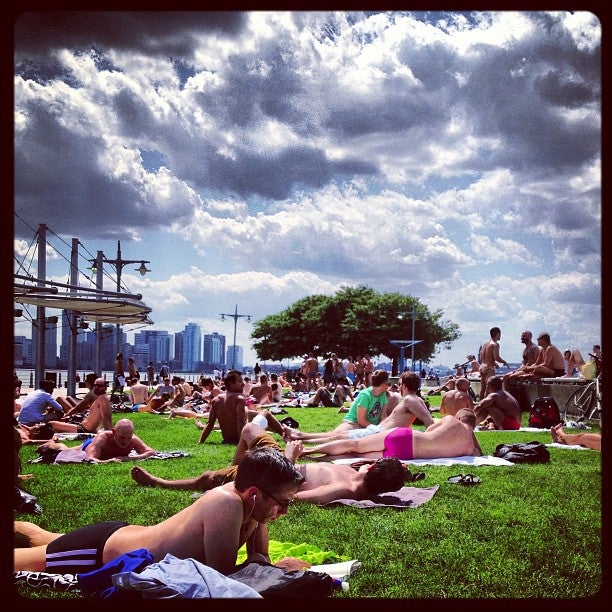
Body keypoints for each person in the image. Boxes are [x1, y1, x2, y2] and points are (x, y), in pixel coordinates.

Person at [14, 447, 308, 577]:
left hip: (123, 536)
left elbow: (261, 559)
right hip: (99, 553)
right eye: (282, 503)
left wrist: (266, 563)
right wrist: (271, 568)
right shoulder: (226, 503)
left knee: (41, 536)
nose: (284, 511)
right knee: (18, 561)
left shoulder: (255, 511)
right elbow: (220, 577)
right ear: (255, 493)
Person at [131, 422, 411, 504]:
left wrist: (291, 458)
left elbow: (290, 495)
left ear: (373, 470)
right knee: (251, 429)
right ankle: (240, 466)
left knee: (207, 477)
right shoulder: (356, 474)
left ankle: (160, 482)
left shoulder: (342, 490)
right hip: (278, 459)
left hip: (275, 471)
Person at [298, 412, 482, 460]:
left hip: (407, 437)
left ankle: (307, 451)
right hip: (407, 454)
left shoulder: (451, 420)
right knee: (355, 455)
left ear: (460, 417)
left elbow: (430, 432)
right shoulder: (469, 448)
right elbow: (478, 452)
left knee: (355, 444)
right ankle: (319, 457)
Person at [285, 369, 390, 442]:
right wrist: (374, 429)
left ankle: (302, 437)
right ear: (384, 383)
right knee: (333, 437)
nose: (388, 386)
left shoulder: (382, 395)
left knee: (336, 439)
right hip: (353, 423)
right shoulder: (365, 395)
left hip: (368, 428)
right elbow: (360, 420)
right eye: (388, 383)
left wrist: (382, 429)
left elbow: (383, 416)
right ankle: (302, 436)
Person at [37, 418, 157, 462]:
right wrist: (110, 461)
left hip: (104, 450)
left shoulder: (132, 439)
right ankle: (52, 443)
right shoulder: (103, 438)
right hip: (89, 445)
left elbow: (151, 452)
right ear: (114, 432)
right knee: (64, 450)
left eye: (128, 438)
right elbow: (91, 459)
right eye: (121, 438)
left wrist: (129, 458)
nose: (125, 442)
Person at [44, 378, 114, 434]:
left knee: (52, 424)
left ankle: (36, 431)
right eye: (95, 385)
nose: (96, 387)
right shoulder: (101, 397)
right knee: (57, 423)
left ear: (105, 387)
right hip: (83, 426)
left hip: (83, 429)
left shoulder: (102, 399)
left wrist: (110, 433)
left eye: (99, 386)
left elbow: (106, 418)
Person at [198, 370, 248, 445]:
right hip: (240, 438)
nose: (243, 384)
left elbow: (210, 424)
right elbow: (240, 422)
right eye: (240, 381)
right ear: (231, 384)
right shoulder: (239, 398)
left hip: (227, 439)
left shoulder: (216, 400)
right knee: (264, 414)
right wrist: (243, 443)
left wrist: (201, 441)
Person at [478, 327, 509, 400]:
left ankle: (480, 404)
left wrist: (494, 363)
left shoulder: (485, 345)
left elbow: (484, 358)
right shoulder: (495, 345)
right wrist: (504, 362)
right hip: (489, 368)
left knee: (483, 388)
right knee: (489, 389)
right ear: (497, 334)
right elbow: (497, 357)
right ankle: (486, 406)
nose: (500, 336)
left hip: (482, 367)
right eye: (500, 334)